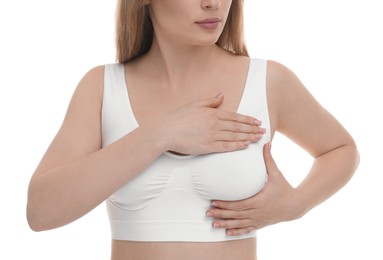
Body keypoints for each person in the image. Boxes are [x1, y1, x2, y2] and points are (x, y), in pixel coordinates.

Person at [26, 0, 359, 259]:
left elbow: (341, 150)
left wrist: (297, 203)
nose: (213, 3)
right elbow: (41, 212)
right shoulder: (102, 87)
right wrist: (160, 133)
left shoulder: (268, 82)